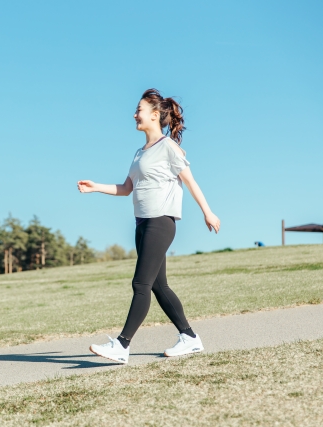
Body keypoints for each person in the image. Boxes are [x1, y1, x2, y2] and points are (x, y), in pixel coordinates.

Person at [77, 88, 220, 364]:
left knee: (140, 283)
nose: (134, 115)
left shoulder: (168, 147)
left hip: (161, 222)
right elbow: (126, 188)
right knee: (158, 285)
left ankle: (122, 345)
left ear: (155, 115)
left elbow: (190, 180)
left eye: (139, 110)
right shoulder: (139, 153)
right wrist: (96, 187)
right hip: (142, 224)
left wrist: (208, 212)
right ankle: (190, 338)